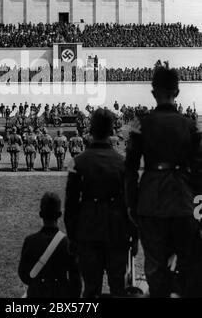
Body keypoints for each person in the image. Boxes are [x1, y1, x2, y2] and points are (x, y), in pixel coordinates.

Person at [125, 67, 202, 297]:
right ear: (177, 92)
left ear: (153, 93)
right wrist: (199, 209)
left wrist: (132, 204)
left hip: (151, 201)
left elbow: (129, 169)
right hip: (183, 201)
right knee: (187, 267)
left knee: (156, 269)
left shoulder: (142, 125)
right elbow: (199, 172)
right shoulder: (190, 126)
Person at [64, 108, 135, 298]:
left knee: (91, 289)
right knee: (118, 288)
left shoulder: (78, 162)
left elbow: (70, 206)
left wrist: (72, 236)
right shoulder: (123, 163)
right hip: (117, 232)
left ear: (91, 130)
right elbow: (131, 205)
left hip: (88, 231)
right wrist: (133, 237)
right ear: (112, 130)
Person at [18, 192, 81, 298]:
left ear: (40, 214)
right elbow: (76, 282)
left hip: (36, 293)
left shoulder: (30, 241)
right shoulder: (68, 243)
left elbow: (24, 275)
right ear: (60, 215)